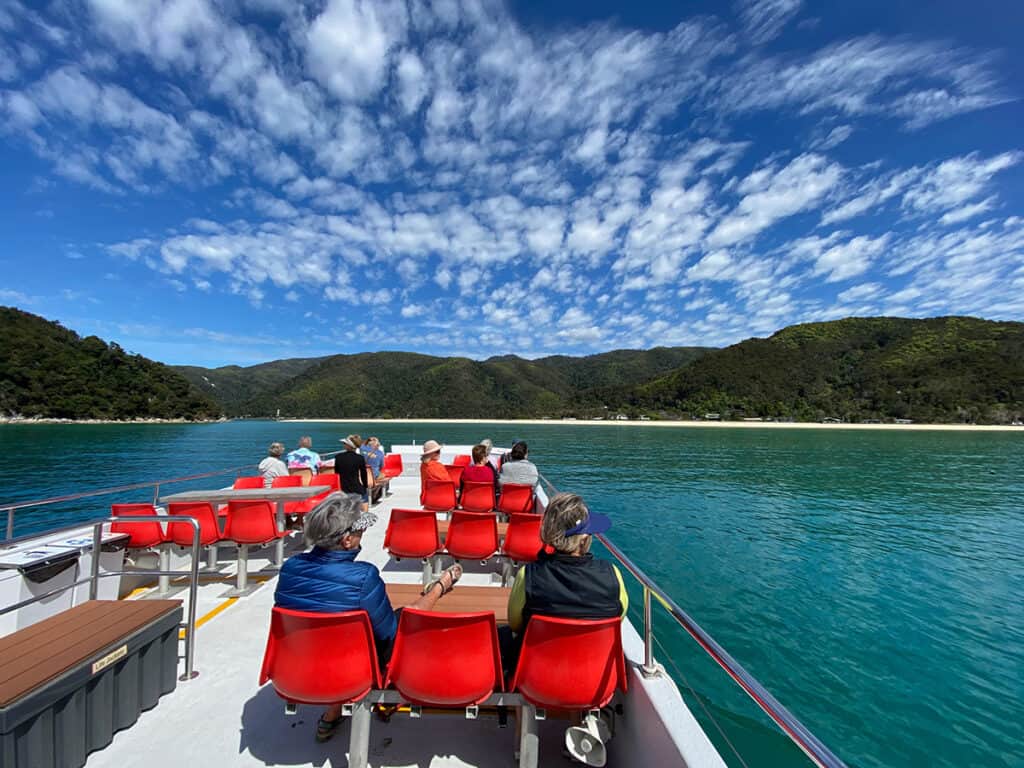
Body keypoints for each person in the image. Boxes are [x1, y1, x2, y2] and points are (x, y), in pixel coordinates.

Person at [274, 494, 463, 742]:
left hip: (300, 664)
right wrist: (439, 587)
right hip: (352, 668)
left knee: (331, 634)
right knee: (407, 620)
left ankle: (332, 712)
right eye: (360, 531)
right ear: (347, 540)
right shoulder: (364, 577)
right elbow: (391, 633)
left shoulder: (290, 568)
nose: (362, 536)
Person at [501, 493, 628, 674]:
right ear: (584, 538)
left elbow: (515, 624)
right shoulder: (612, 575)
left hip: (536, 677)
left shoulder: (528, 575)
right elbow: (618, 618)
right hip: (593, 678)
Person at [335, 435, 369, 510]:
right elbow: (364, 475)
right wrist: (365, 486)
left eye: (345, 444)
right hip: (357, 489)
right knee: (365, 510)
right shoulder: (360, 458)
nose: (343, 445)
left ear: (348, 445)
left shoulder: (338, 457)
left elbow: (336, 474)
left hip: (344, 489)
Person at [361, 436, 386, 504]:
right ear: (377, 445)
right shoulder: (380, 453)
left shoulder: (362, 450)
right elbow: (382, 466)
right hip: (373, 476)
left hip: (362, 476)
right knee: (383, 475)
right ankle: (375, 495)